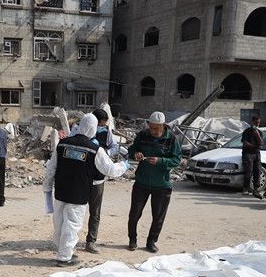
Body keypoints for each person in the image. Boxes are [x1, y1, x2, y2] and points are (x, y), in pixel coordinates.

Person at [43, 113, 129, 266]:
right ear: (93, 129)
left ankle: (64, 250)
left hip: (61, 191)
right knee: (72, 224)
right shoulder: (94, 149)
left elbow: (51, 168)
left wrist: (47, 189)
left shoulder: (62, 144)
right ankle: (64, 257)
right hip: (79, 193)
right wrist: (124, 165)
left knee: (60, 222)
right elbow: (110, 170)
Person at [126, 111, 183, 253]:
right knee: (134, 214)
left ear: (163, 126)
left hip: (162, 185)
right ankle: (132, 239)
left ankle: (151, 241)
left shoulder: (171, 139)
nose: (153, 131)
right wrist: (136, 154)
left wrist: (161, 161)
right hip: (141, 182)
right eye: (151, 127)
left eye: (156, 128)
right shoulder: (143, 135)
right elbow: (132, 149)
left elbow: (177, 159)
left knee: (158, 216)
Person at [85, 109, 120, 254]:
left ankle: (91, 241)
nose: (102, 127)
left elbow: (114, 146)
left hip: (98, 178)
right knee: (75, 211)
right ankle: (69, 240)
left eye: (104, 125)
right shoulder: (80, 130)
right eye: (101, 124)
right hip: (81, 177)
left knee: (95, 212)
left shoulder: (106, 132)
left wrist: (105, 154)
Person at [240, 116, 264, 196]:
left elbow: (261, 143)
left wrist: (257, 134)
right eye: (256, 123)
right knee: (248, 171)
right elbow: (245, 143)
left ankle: (256, 189)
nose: (257, 124)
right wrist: (255, 146)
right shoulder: (247, 131)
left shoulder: (259, 132)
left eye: (258, 123)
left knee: (257, 170)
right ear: (252, 122)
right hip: (248, 153)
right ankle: (246, 188)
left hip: (256, 153)